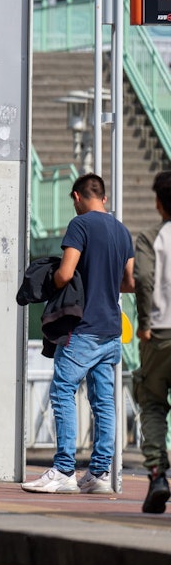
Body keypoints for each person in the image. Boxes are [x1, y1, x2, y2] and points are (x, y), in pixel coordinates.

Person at [22, 174, 134, 495]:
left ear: (76, 196)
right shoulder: (121, 230)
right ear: (104, 198)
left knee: (62, 392)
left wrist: (54, 280)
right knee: (103, 402)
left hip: (82, 328)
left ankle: (63, 470)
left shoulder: (80, 225)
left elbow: (65, 274)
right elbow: (129, 282)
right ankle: (99, 473)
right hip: (111, 330)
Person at [131, 170, 171, 514]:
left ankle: (158, 475)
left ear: (159, 204)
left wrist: (144, 323)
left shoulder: (149, 239)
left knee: (153, 402)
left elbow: (142, 278)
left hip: (158, 335)